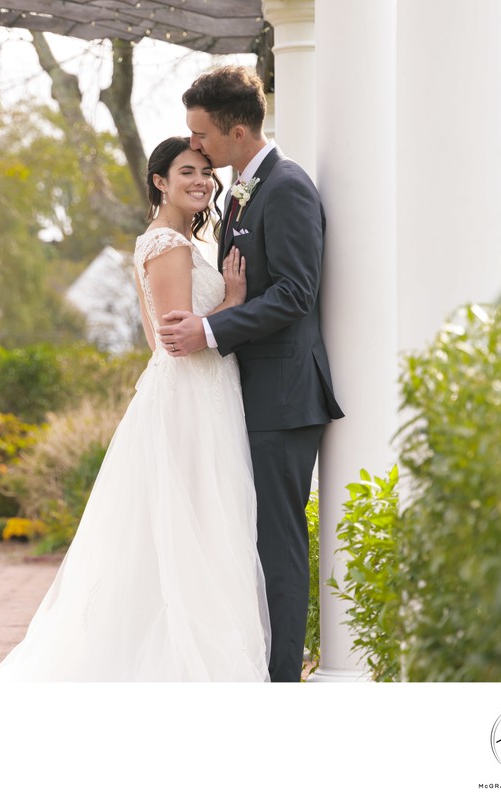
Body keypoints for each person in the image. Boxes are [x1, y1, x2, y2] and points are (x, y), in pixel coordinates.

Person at [0, 137, 270, 682]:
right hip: (192, 398)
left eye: (206, 173)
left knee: (198, 526)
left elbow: (152, 333)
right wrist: (234, 299)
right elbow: (174, 339)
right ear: (159, 181)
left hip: (196, 392)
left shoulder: (168, 242)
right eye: (187, 171)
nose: (202, 182)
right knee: (200, 525)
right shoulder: (169, 244)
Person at [159, 66, 345, 682]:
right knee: (253, 540)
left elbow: (296, 293)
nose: (197, 148)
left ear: (236, 130)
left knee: (279, 542)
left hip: (285, 395)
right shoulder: (242, 191)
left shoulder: (286, 186)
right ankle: (259, 668)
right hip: (249, 392)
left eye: (202, 135)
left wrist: (210, 330)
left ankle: (283, 681)